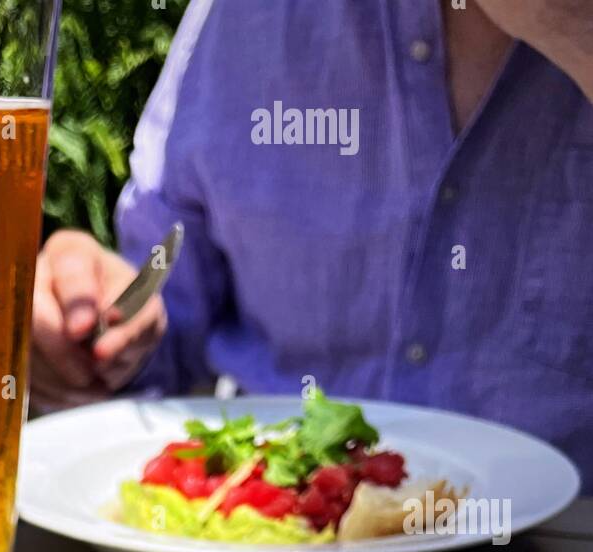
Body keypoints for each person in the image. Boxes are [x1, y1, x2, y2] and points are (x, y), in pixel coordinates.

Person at [31, 0, 593, 482]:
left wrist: (573, 32)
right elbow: (166, 322)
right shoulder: (240, 19)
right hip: (264, 542)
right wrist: (88, 328)